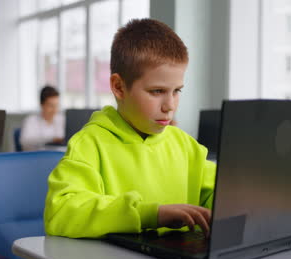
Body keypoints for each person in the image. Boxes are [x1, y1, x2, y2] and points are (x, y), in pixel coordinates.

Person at [44, 19, 216, 238]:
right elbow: (61, 213)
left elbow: (224, 197)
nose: (170, 105)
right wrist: (149, 214)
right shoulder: (90, 144)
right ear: (118, 87)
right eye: (156, 91)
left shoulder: (185, 145)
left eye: (177, 91)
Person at [20, 85, 65, 151]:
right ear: (42, 104)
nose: (55, 110)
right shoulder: (31, 120)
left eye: (57, 105)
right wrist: (52, 139)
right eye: (51, 106)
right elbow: (25, 141)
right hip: (36, 157)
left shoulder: (62, 119)